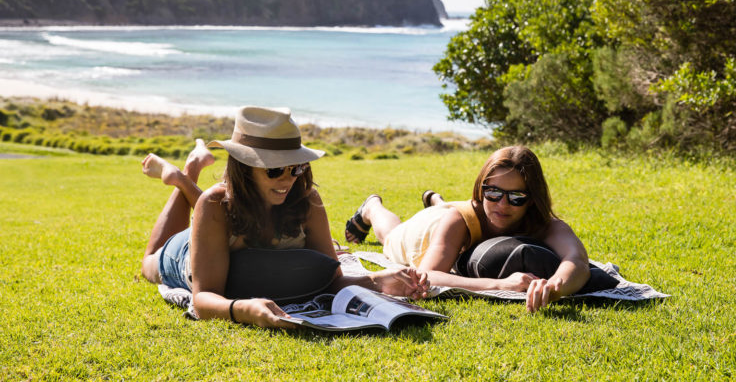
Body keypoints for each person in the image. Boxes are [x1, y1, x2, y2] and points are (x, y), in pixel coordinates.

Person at [141, 106, 429, 328]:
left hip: (226, 217)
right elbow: (203, 300)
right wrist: (243, 310)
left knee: (224, 204)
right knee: (148, 263)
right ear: (244, 167)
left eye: (297, 168)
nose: (288, 179)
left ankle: (185, 174)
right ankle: (183, 174)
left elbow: (331, 278)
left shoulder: (307, 201)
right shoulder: (214, 203)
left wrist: (379, 280)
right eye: (275, 170)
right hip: (185, 256)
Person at [344, 145, 592, 313]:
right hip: (429, 230)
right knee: (391, 236)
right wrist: (501, 285)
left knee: (457, 211)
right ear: (481, 188)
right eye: (493, 192)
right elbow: (428, 274)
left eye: (516, 196)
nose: (503, 204)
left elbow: (577, 260)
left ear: (532, 198)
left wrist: (554, 286)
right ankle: (372, 207)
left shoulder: (544, 223)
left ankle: (436, 199)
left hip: (459, 214)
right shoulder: (459, 219)